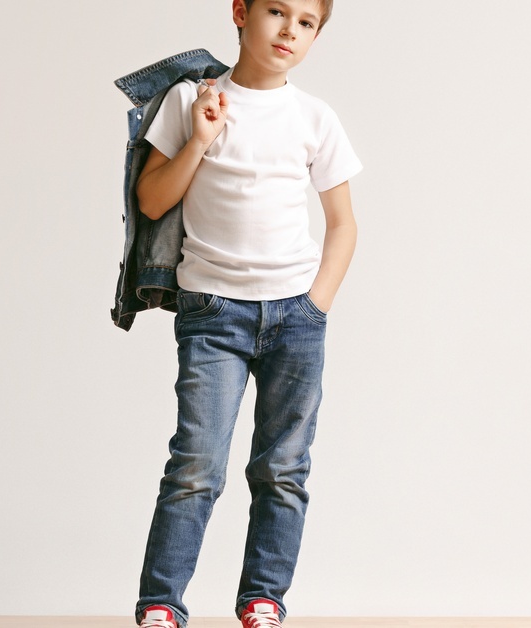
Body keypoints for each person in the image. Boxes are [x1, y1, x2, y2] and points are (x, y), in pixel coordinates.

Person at [133, 1, 360, 626]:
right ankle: (161, 605)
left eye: (307, 22)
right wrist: (201, 138)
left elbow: (343, 224)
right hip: (213, 313)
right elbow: (152, 200)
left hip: (295, 319)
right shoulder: (193, 101)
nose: (289, 30)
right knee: (196, 464)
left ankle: (263, 598)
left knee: (284, 469)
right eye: (275, 11)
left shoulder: (314, 117)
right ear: (240, 11)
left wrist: (316, 304)